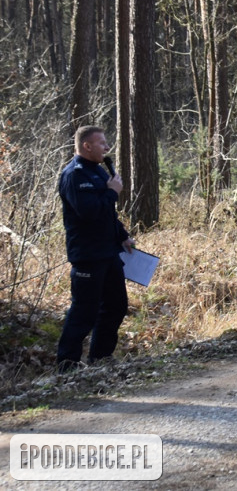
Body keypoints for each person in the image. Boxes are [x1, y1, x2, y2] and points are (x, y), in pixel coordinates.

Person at [56, 126, 136, 371]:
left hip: (109, 252)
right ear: (86, 146)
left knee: (116, 306)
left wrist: (122, 235)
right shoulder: (75, 174)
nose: (107, 147)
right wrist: (112, 193)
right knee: (84, 312)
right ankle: (67, 366)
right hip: (88, 255)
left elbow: (106, 214)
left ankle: (100, 359)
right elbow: (89, 212)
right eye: (101, 143)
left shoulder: (99, 172)